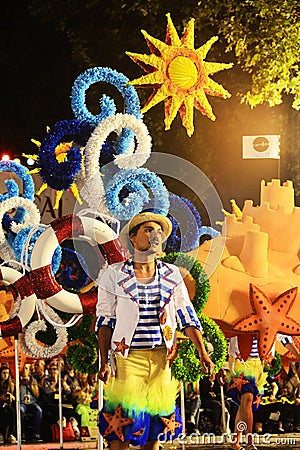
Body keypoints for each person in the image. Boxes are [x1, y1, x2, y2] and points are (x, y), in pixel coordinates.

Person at [96, 210, 214, 450]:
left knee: (155, 430)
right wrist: (104, 362)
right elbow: (105, 321)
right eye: (148, 230)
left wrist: (202, 352)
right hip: (129, 360)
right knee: (123, 427)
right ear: (133, 238)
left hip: (162, 360)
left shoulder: (172, 275)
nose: (155, 236)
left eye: (159, 232)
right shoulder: (114, 274)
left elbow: (186, 316)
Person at [228, 335, 300, 450]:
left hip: (259, 365)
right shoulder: (241, 317)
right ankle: (249, 441)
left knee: (245, 405)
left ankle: (235, 441)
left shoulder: (270, 318)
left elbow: (283, 336)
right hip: (240, 361)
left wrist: (298, 355)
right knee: (247, 398)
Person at [20, 363, 43, 442]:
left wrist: (30, 385)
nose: (24, 370)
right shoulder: (16, 379)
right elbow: (15, 394)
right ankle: (22, 433)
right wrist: (20, 384)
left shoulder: (33, 380)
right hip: (21, 402)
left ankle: (37, 433)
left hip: (32, 402)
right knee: (21, 410)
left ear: (29, 371)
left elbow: (37, 395)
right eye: (22, 368)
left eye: (26, 368)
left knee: (38, 410)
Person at [0, 366, 17, 444]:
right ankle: (1, 434)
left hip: (7, 404)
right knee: (2, 412)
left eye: (7, 373)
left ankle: (10, 434)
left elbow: (14, 397)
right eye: (4, 373)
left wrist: (10, 396)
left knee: (11, 411)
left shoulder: (11, 384)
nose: (5, 375)